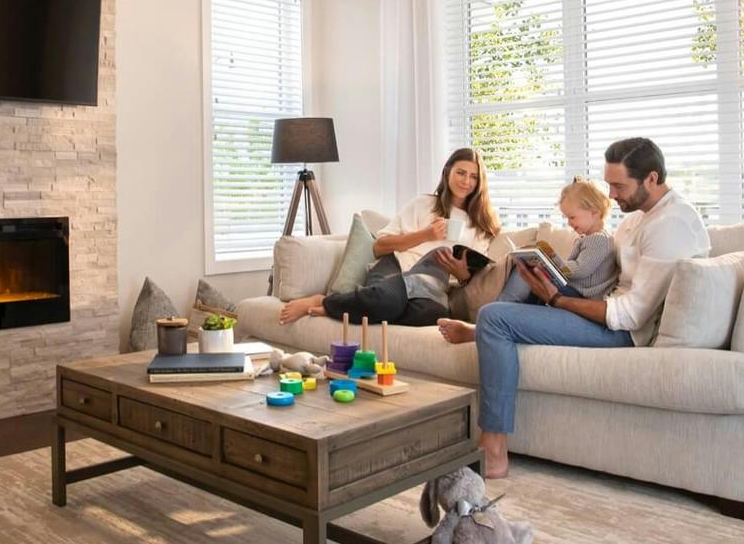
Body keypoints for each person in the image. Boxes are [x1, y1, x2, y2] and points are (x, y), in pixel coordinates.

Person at [439, 138, 709, 478]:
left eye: (619, 185)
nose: (611, 195)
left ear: (651, 179)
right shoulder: (638, 218)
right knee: (512, 297)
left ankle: (493, 451)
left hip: (623, 331)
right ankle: (485, 336)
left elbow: (631, 316)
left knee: (494, 318)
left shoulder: (670, 224)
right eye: (609, 183)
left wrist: (558, 299)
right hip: (605, 310)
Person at [278, 147, 502, 327]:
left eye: (473, 176)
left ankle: (360, 306)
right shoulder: (423, 204)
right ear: (447, 172)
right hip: (396, 267)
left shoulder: (481, 226)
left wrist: (461, 273)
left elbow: (473, 274)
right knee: (387, 299)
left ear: (479, 183)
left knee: (431, 315)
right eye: (460, 173)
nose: (466, 181)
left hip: (431, 283)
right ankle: (325, 302)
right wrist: (426, 234)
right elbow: (379, 247)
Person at [485, 177, 618, 307]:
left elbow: (579, 270)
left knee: (535, 274)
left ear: (594, 212)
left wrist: (553, 262)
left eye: (572, 217)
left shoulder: (599, 240)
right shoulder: (590, 238)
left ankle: (504, 307)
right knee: (536, 276)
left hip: (584, 297)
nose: (569, 223)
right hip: (577, 292)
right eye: (567, 218)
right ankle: (517, 310)